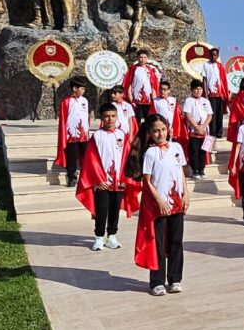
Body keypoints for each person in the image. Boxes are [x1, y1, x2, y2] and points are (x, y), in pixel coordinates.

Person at [132, 114, 189, 296]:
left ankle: (175, 279)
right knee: (159, 243)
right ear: (149, 133)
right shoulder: (150, 153)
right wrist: (159, 200)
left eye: (163, 129)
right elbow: (147, 181)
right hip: (159, 206)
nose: (160, 133)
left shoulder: (177, 148)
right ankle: (157, 281)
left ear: (168, 129)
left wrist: (186, 195)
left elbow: (181, 173)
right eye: (156, 130)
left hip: (177, 203)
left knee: (176, 242)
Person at [76, 102, 139, 251]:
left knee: (114, 209)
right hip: (102, 182)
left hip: (118, 182)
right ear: (101, 118)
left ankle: (112, 236)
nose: (110, 119)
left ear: (117, 117)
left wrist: (125, 179)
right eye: (106, 116)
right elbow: (91, 160)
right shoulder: (97, 136)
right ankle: (99, 237)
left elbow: (127, 158)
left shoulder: (122, 136)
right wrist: (98, 180)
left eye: (113, 116)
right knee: (101, 210)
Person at [55, 77, 90, 188]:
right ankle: (71, 177)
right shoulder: (66, 102)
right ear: (75, 88)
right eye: (82, 89)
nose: (83, 91)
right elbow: (64, 120)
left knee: (86, 155)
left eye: (84, 89)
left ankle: (87, 176)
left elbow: (86, 117)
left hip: (84, 134)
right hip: (71, 135)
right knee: (72, 157)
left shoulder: (85, 101)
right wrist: (65, 135)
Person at [182, 79, 212, 179]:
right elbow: (187, 115)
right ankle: (195, 170)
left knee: (203, 151)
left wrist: (203, 127)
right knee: (194, 150)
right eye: (196, 89)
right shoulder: (188, 100)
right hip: (193, 130)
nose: (198, 91)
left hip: (204, 130)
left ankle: (201, 169)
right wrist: (195, 126)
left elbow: (209, 116)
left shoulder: (205, 101)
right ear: (191, 90)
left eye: (200, 89)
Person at [122, 49, 161, 123]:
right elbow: (128, 83)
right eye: (140, 57)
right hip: (136, 99)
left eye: (144, 57)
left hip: (148, 99)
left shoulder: (150, 70)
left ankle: (147, 133)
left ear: (147, 58)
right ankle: (137, 133)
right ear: (137, 58)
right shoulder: (133, 69)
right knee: (137, 118)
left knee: (149, 118)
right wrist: (130, 96)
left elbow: (153, 85)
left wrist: (154, 99)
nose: (142, 59)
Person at [151, 80, 188, 154]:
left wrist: (174, 128)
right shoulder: (155, 102)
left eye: (165, 89)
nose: (162, 91)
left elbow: (177, 116)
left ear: (169, 90)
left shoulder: (173, 101)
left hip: (172, 129)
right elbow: (152, 116)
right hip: (161, 129)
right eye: (161, 89)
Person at [199, 47, 229, 139]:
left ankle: (219, 133)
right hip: (210, 93)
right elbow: (204, 79)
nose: (213, 56)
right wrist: (205, 94)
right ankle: (213, 132)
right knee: (212, 113)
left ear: (218, 56)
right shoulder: (206, 65)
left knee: (219, 114)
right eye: (212, 55)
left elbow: (224, 80)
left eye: (215, 55)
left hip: (220, 93)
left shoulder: (220, 66)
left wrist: (225, 93)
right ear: (209, 55)